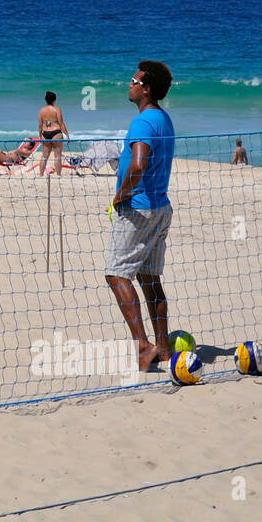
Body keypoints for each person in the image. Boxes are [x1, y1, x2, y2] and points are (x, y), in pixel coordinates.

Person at [105, 61, 175, 372]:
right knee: (149, 279)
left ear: (145, 89)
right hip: (160, 207)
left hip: (139, 209)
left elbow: (138, 164)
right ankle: (163, 347)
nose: (128, 84)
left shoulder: (144, 122)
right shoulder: (164, 118)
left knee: (117, 275)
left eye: (133, 80)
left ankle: (143, 345)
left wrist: (121, 195)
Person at [36, 91, 70, 175]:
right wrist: (67, 135)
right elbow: (61, 124)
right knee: (57, 156)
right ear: (54, 100)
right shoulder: (57, 110)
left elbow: (40, 126)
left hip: (45, 133)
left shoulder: (41, 111)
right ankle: (58, 175)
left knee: (44, 156)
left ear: (46, 100)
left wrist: (40, 136)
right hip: (56, 133)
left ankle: (41, 175)